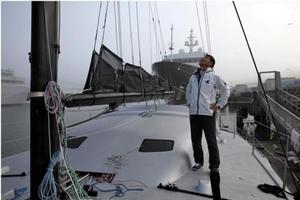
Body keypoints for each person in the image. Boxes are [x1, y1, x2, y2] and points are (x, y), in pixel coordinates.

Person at [186, 54, 230, 172]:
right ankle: (198, 161)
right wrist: (189, 103)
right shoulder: (193, 77)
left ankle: (214, 166)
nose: (202, 58)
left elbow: (226, 90)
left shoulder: (214, 76)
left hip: (208, 113)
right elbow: (188, 90)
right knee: (195, 140)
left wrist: (219, 105)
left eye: (205, 57)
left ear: (210, 63)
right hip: (194, 114)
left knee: (211, 141)